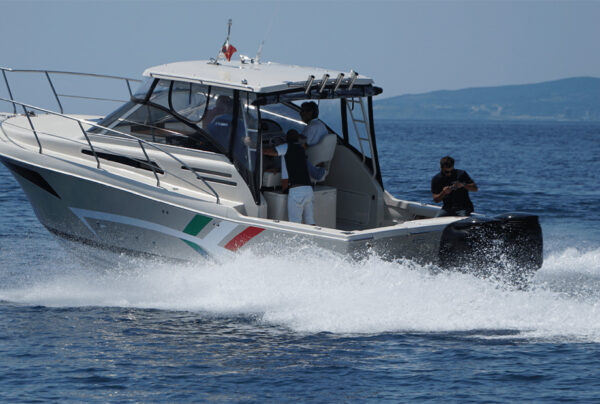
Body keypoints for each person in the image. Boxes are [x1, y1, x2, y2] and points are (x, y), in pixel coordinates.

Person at [263, 130, 324, 224]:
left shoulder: (287, 147)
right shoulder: (301, 150)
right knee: (310, 220)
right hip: (308, 190)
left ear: (286, 139)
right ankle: (313, 237)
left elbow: (271, 152)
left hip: (296, 191)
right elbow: (292, 165)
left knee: (295, 224)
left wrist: (255, 147)